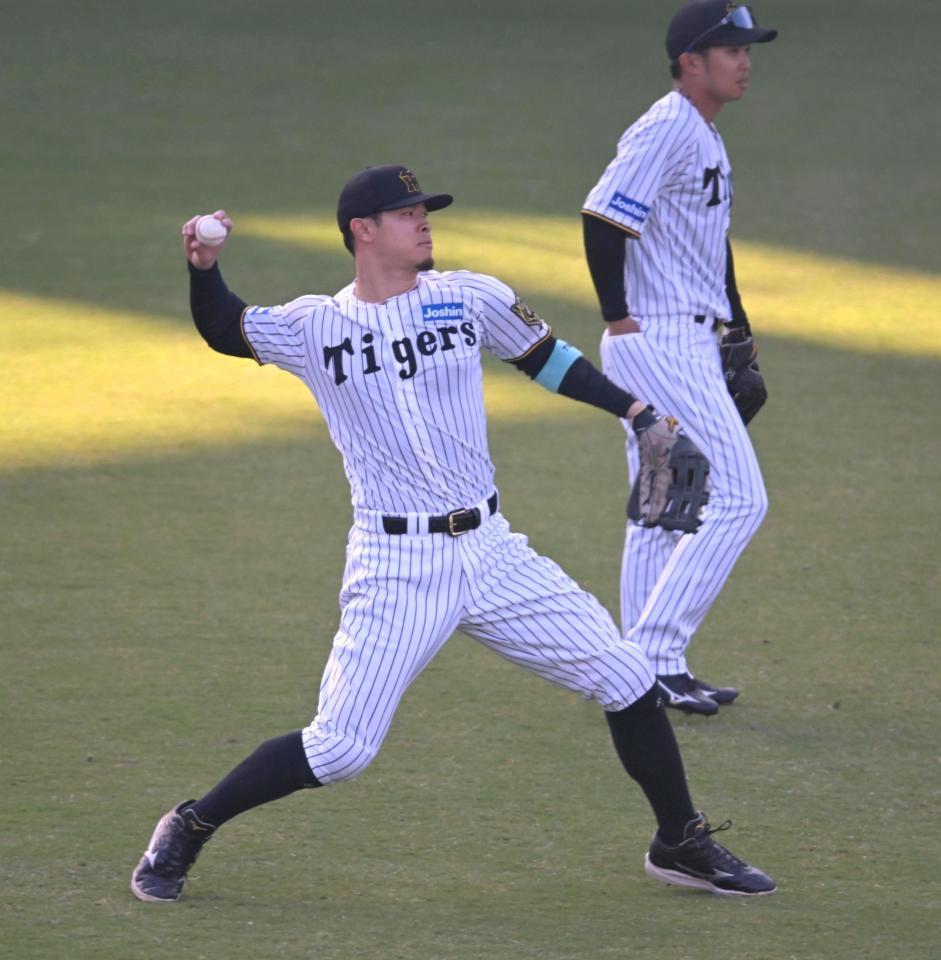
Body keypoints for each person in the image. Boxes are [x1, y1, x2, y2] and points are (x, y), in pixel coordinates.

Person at [130, 164, 775, 903]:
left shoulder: (470, 297)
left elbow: (548, 359)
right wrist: (203, 269)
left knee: (629, 679)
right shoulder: (315, 326)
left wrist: (635, 412)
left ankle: (679, 841)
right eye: (406, 213)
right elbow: (225, 328)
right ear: (361, 231)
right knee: (340, 750)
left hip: (493, 550)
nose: (424, 220)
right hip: (397, 563)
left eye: (425, 210)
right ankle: (189, 825)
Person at [580, 1, 777, 715]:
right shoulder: (665, 126)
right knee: (738, 498)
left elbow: (707, 245)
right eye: (730, 49)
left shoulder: (703, 134)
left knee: (666, 501)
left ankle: (642, 671)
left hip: (686, 332)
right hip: (655, 336)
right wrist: (619, 318)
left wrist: (737, 327)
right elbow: (601, 216)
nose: (744, 60)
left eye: (747, 49)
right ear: (690, 60)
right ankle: (653, 654)